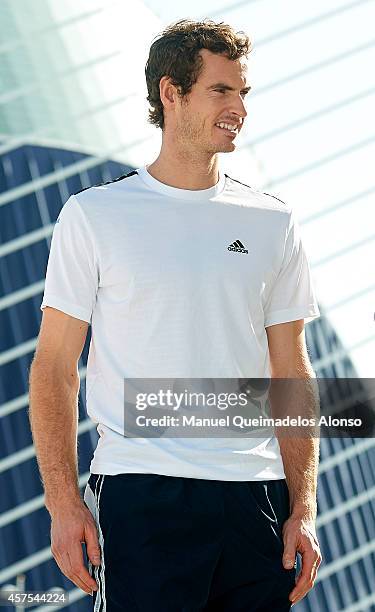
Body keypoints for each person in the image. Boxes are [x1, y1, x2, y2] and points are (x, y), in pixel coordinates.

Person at [29, 18, 322, 611]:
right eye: (221, 90)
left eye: (244, 93)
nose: (239, 106)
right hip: (142, 490)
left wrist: (303, 504)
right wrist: (63, 502)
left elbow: (291, 370)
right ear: (171, 93)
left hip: (254, 498)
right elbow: (55, 364)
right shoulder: (95, 215)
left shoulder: (273, 221)